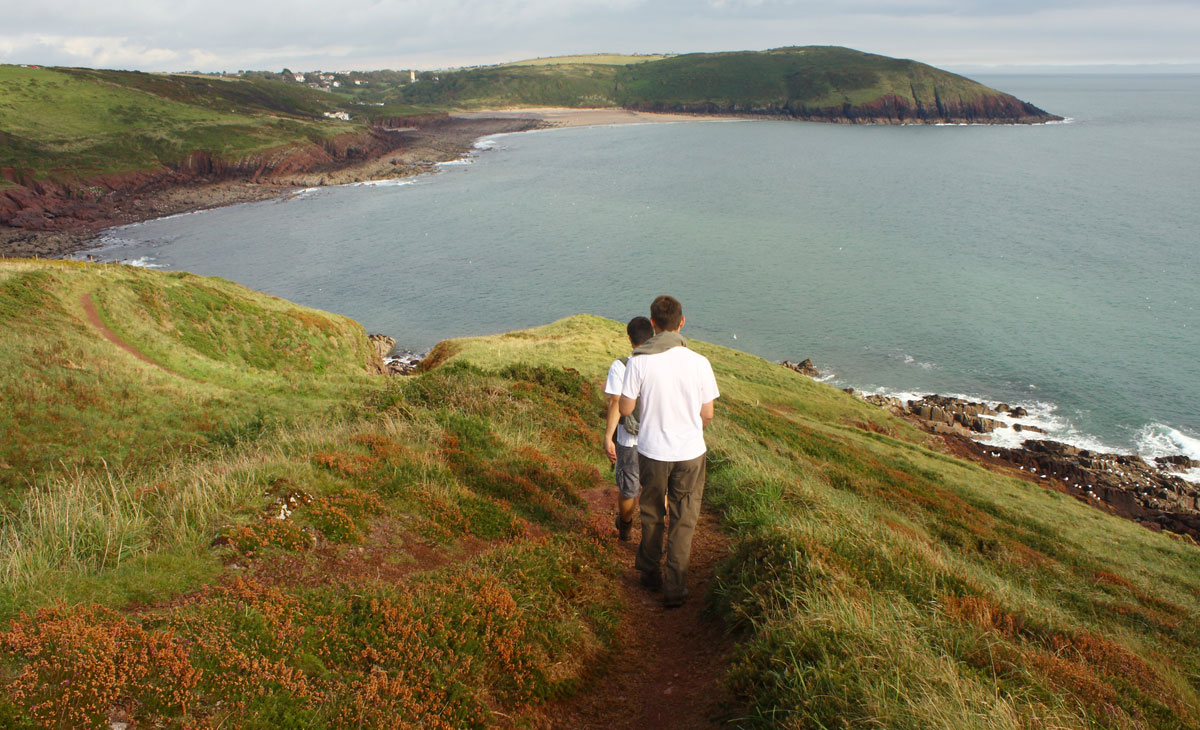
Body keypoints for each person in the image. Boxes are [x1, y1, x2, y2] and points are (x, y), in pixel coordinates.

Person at [619, 295, 718, 608]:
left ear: (653, 324)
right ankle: (675, 587)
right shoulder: (699, 362)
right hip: (690, 451)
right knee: (683, 518)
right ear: (682, 322)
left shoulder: (638, 361)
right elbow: (708, 414)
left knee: (652, 512)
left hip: (652, 450)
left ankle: (650, 571)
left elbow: (626, 408)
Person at [604, 316, 656, 541]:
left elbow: (616, 402)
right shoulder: (662, 364)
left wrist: (608, 437)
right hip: (658, 440)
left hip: (630, 440)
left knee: (629, 489)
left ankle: (625, 527)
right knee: (658, 490)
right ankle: (653, 536)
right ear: (652, 337)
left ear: (630, 338)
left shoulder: (621, 366)